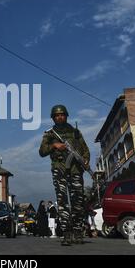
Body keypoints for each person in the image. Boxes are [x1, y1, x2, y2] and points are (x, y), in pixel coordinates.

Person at [39, 105, 90, 246]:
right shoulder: (50, 134)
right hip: (59, 169)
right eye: (56, 115)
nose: (59, 117)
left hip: (75, 170)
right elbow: (42, 151)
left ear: (66, 116)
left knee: (78, 202)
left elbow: (85, 150)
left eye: (62, 115)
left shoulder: (75, 133)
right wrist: (54, 146)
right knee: (62, 202)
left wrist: (85, 161)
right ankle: (67, 233)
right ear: (53, 118)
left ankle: (78, 232)